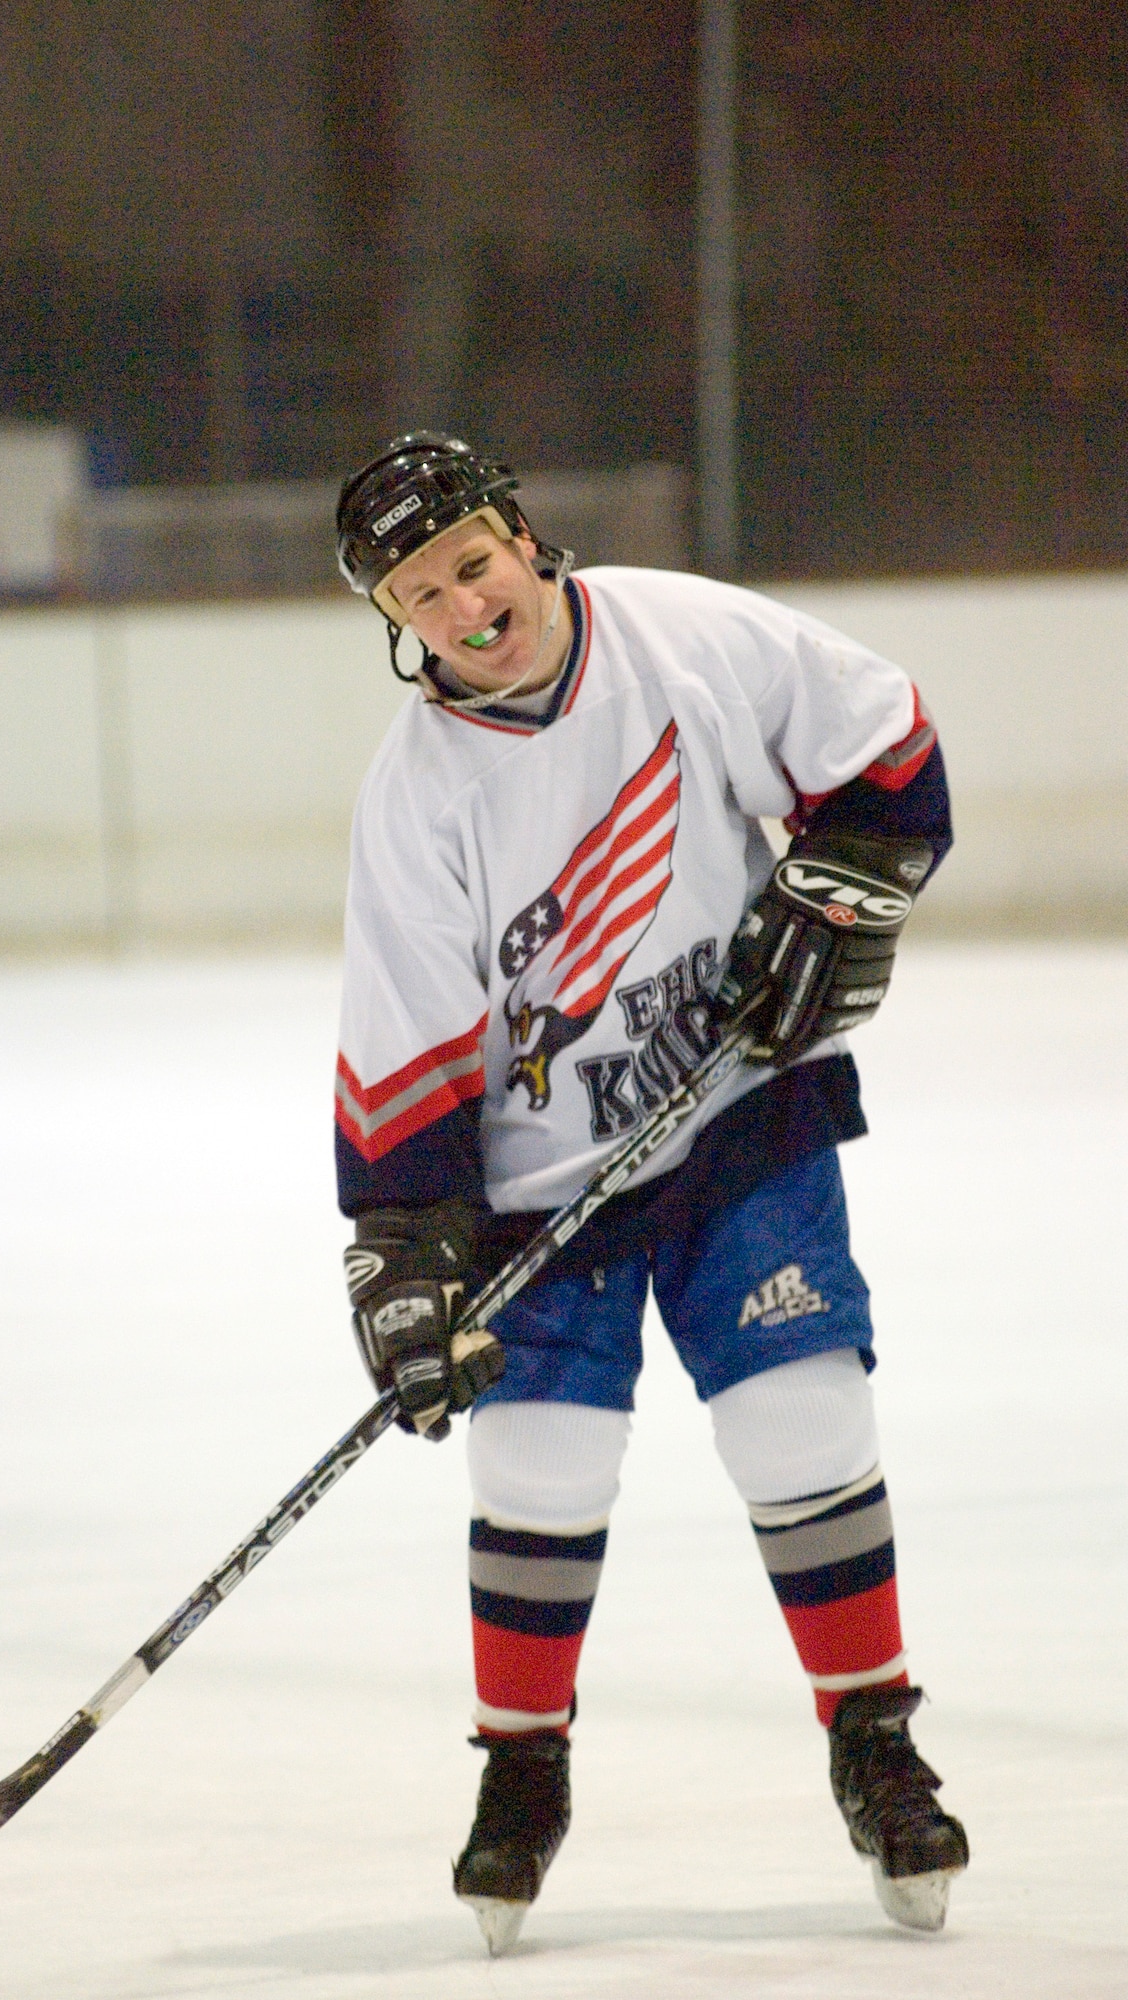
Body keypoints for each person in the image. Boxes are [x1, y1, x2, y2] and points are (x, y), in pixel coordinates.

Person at [332, 433, 968, 1955]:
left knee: (798, 1411)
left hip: (740, 1109)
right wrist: (406, 1256)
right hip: (542, 1185)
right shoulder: (417, 797)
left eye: (472, 561)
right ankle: (523, 1770)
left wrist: (840, 885)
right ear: (401, 624)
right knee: (540, 1465)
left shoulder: (683, 635)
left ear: (520, 534)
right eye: (424, 594)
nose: (467, 605)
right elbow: (405, 1037)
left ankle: (875, 1741)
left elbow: (882, 747)